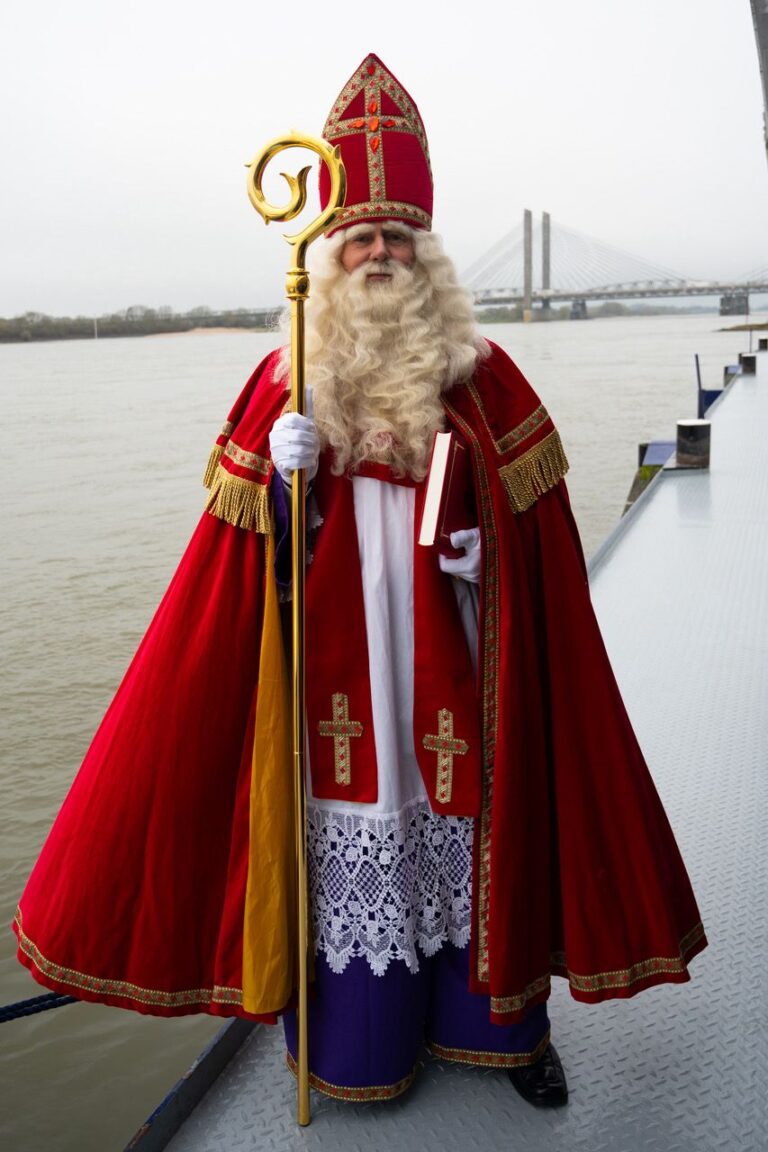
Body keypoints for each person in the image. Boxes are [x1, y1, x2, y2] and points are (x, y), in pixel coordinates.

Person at [14, 53, 706, 1109]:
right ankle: (360, 1050)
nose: (380, 252)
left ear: (428, 256)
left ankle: (510, 1036)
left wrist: (484, 554)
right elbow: (235, 583)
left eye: (399, 237)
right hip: (342, 685)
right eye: (362, 237)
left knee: (481, 835)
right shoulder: (284, 377)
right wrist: (285, 486)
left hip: (466, 664)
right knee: (358, 845)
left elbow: (544, 549)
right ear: (330, 253)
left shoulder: (486, 374)